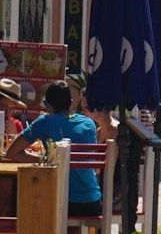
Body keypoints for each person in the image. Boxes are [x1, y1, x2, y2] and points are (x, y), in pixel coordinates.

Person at [8, 83, 103, 217]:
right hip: (91, 201)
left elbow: (12, 152)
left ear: (47, 105)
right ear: (70, 103)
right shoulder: (89, 124)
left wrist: (47, 160)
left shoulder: (44, 122)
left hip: (62, 200)